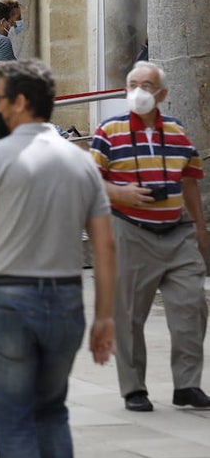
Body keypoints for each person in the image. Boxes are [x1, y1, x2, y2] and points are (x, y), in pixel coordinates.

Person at [0, 59, 116, 458]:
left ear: (19, 102)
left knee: (14, 418)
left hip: (10, 299)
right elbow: (105, 246)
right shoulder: (80, 162)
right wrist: (105, 316)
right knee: (52, 411)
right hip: (66, 297)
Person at [90, 61, 210, 412]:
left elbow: (189, 178)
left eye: (146, 84)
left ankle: (187, 384)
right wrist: (119, 193)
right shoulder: (108, 130)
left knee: (191, 306)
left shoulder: (176, 130)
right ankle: (134, 388)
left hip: (177, 233)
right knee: (129, 314)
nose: (138, 90)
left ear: (162, 94)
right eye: (132, 84)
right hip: (129, 231)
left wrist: (200, 226)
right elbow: (90, 179)